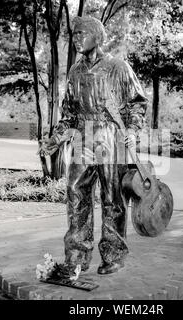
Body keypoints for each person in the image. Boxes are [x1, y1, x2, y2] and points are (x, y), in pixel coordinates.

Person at [40, 16, 148, 276]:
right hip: (82, 139)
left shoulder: (119, 68)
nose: (76, 39)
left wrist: (132, 130)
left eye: (81, 34)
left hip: (111, 137)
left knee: (112, 199)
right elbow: (68, 114)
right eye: (74, 35)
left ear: (97, 37)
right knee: (76, 195)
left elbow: (137, 103)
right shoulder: (76, 71)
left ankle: (113, 254)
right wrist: (54, 141)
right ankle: (76, 257)